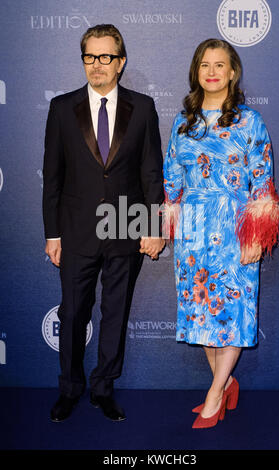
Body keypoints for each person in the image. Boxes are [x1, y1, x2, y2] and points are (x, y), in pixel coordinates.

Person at [163, 38, 279, 428]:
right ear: (196, 72)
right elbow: (171, 179)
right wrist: (167, 223)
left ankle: (215, 393)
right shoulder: (182, 123)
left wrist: (256, 232)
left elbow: (262, 181)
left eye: (220, 65)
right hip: (193, 232)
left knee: (233, 312)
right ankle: (227, 381)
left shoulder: (249, 121)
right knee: (202, 310)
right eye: (205, 65)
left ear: (233, 72)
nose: (212, 72)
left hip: (236, 228)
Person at [43, 24, 165, 423]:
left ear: (121, 61)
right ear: (84, 61)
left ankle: (103, 389)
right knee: (73, 314)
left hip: (126, 228)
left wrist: (152, 225)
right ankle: (70, 389)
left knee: (115, 314)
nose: (97, 65)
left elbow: (151, 171)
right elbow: (53, 175)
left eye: (106, 56)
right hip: (76, 230)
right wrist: (52, 233)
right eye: (90, 57)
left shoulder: (143, 107)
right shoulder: (62, 108)